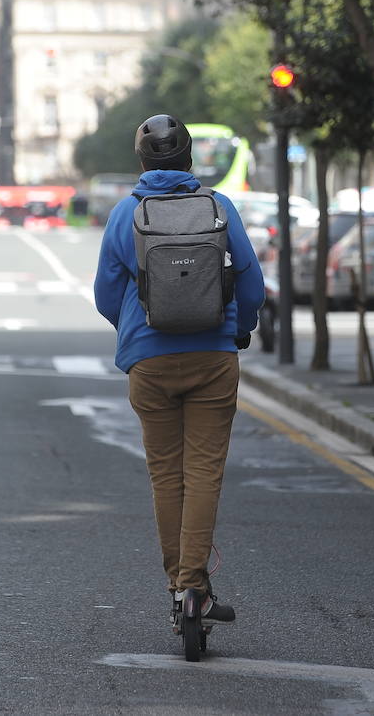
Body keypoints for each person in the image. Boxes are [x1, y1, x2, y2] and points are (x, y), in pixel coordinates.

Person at [93, 113, 264, 628]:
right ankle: (196, 587)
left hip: (149, 358)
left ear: (142, 161)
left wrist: (132, 328)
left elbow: (104, 294)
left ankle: (179, 589)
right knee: (204, 473)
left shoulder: (127, 214)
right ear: (190, 158)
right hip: (214, 356)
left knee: (166, 475)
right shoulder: (219, 206)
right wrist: (241, 327)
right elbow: (251, 281)